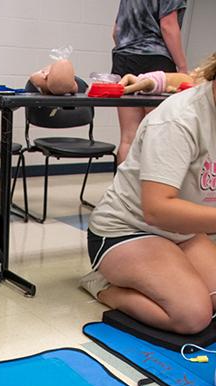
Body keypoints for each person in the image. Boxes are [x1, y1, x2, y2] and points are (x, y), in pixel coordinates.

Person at [79, 52, 216, 335]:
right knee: (193, 315)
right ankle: (103, 286)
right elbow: (157, 210)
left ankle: (168, 272)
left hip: (184, 232)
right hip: (126, 229)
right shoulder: (180, 119)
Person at [111, 0, 188, 163]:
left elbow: (116, 31)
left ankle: (124, 188)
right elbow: (168, 25)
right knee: (155, 136)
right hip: (155, 60)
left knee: (128, 137)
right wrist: (182, 67)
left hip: (124, 58)